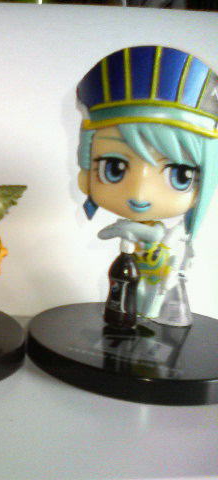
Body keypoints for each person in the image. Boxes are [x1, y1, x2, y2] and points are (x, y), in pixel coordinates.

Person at [76, 46, 218, 325]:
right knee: (128, 297)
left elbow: (156, 237)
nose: (139, 194)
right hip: (138, 270)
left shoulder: (169, 235)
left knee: (151, 305)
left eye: (180, 174)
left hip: (160, 275)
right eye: (114, 168)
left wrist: (126, 229)